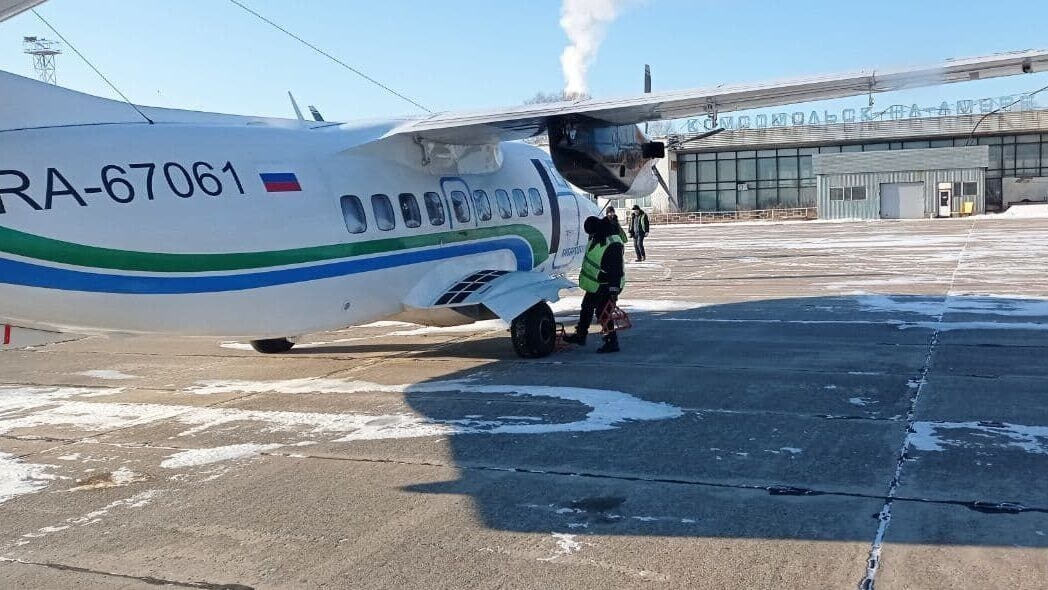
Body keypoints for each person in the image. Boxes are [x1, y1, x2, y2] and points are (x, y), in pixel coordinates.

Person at [564, 216, 626, 353]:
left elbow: (616, 270)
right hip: (597, 284)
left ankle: (611, 342)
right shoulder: (598, 237)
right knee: (586, 307)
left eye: (590, 233)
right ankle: (581, 335)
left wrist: (613, 292)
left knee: (603, 312)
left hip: (608, 284)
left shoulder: (612, 243)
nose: (590, 236)